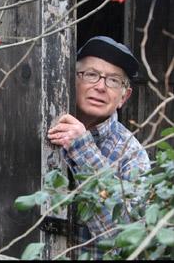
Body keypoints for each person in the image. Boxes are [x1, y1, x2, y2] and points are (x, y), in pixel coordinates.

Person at [47, 36, 151, 259]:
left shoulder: (132, 154)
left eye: (113, 80)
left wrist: (83, 149)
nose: (101, 87)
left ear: (125, 96)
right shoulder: (41, 119)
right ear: (71, 78)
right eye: (91, 75)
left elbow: (124, 242)